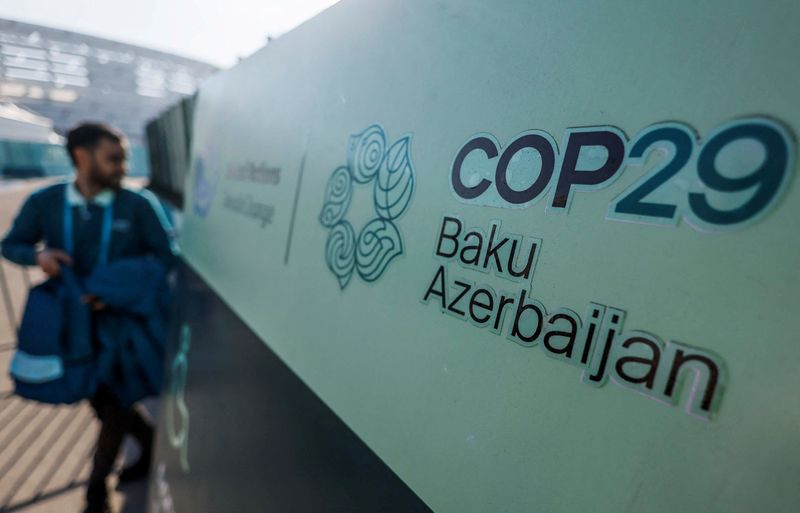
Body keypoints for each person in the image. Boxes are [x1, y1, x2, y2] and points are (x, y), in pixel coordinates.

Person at [1, 122, 178, 513]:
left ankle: (95, 492)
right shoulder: (45, 202)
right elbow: (12, 245)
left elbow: (166, 256)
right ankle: (147, 441)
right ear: (82, 156)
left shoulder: (138, 204)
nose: (121, 167)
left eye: (124, 159)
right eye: (113, 158)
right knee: (98, 401)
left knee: (114, 403)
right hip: (71, 326)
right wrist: (38, 257)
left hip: (122, 328)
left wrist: (118, 287)